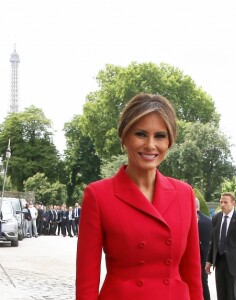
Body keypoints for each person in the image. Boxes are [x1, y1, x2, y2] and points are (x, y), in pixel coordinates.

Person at [76, 93, 203, 300]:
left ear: (170, 141)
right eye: (141, 134)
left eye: (160, 136)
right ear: (124, 137)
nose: (151, 145)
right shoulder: (98, 195)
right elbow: (86, 281)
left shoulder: (184, 193)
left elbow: (192, 273)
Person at [205, 192, 236, 300]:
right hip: (219, 261)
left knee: (231, 294)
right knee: (221, 293)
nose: (222, 204)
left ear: (233, 203)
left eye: (225, 202)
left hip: (234, 263)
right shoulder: (216, 218)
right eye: (221, 202)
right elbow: (213, 241)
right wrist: (209, 261)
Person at [196, 198, 212, 300]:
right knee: (203, 283)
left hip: (195, 257)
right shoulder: (208, 220)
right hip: (205, 258)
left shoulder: (188, 218)